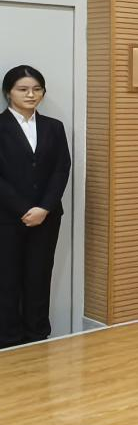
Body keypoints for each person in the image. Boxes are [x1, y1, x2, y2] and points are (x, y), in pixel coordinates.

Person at [0, 65, 72, 346]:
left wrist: (44, 207)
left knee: (39, 276)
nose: (31, 95)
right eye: (23, 89)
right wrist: (22, 209)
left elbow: (61, 168)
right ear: (9, 93)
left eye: (37, 89)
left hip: (47, 216)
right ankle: (8, 339)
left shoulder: (54, 126)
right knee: (6, 279)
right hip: (7, 217)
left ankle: (37, 335)